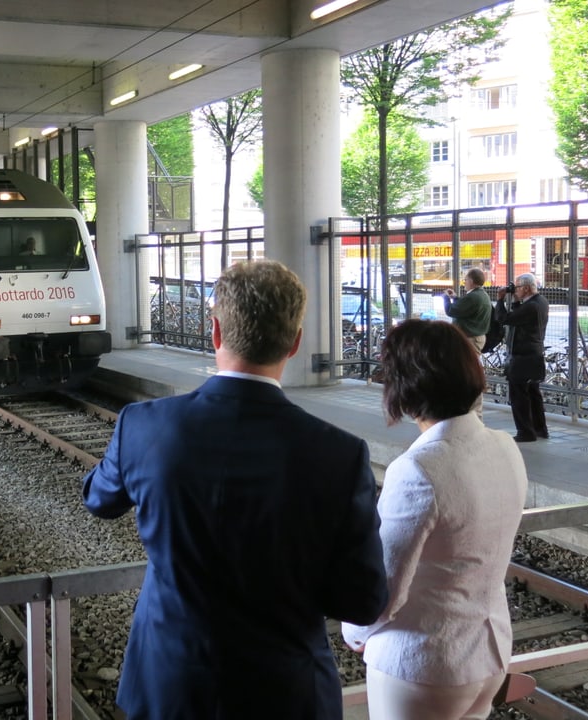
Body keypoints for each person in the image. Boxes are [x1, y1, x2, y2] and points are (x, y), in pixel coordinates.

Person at [82, 259, 388, 720]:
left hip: (170, 683)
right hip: (285, 692)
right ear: (296, 343)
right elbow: (362, 601)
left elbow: (99, 500)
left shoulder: (143, 427)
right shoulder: (340, 454)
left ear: (216, 333)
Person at [342, 319, 528, 720]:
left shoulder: (419, 468)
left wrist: (354, 633)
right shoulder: (505, 447)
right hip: (488, 651)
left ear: (405, 389)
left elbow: (384, 589)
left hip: (423, 666)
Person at [495, 273, 549, 442]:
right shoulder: (540, 302)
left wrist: (500, 299)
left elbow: (504, 318)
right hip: (535, 355)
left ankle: (525, 432)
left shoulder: (531, 306)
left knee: (518, 395)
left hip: (523, 356)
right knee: (533, 394)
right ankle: (540, 429)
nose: (515, 290)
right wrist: (516, 300)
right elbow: (519, 315)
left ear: (526, 288)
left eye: (517, 288)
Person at [444, 267, 491, 353]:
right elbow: (465, 309)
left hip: (470, 339)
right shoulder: (482, 294)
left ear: (471, 281)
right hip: (476, 338)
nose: (464, 282)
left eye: (465, 279)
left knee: (464, 365)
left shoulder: (473, 297)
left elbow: (450, 310)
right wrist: (455, 298)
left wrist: (445, 297)